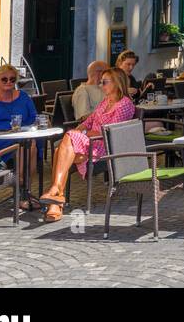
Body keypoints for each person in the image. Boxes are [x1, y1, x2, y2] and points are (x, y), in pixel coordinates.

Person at [40, 67, 135, 221]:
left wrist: (79, 134)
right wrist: (76, 134)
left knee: (62, 148)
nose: (101, 85)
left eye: (104, 82)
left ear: (117, 83)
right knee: (63, 147)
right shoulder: (105, 102)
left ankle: (56, 196)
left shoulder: (125, 104)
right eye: (101, 82)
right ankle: (56, 200)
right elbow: (88, 121)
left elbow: (110, 132)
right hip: (90, 143)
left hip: (106, 146)